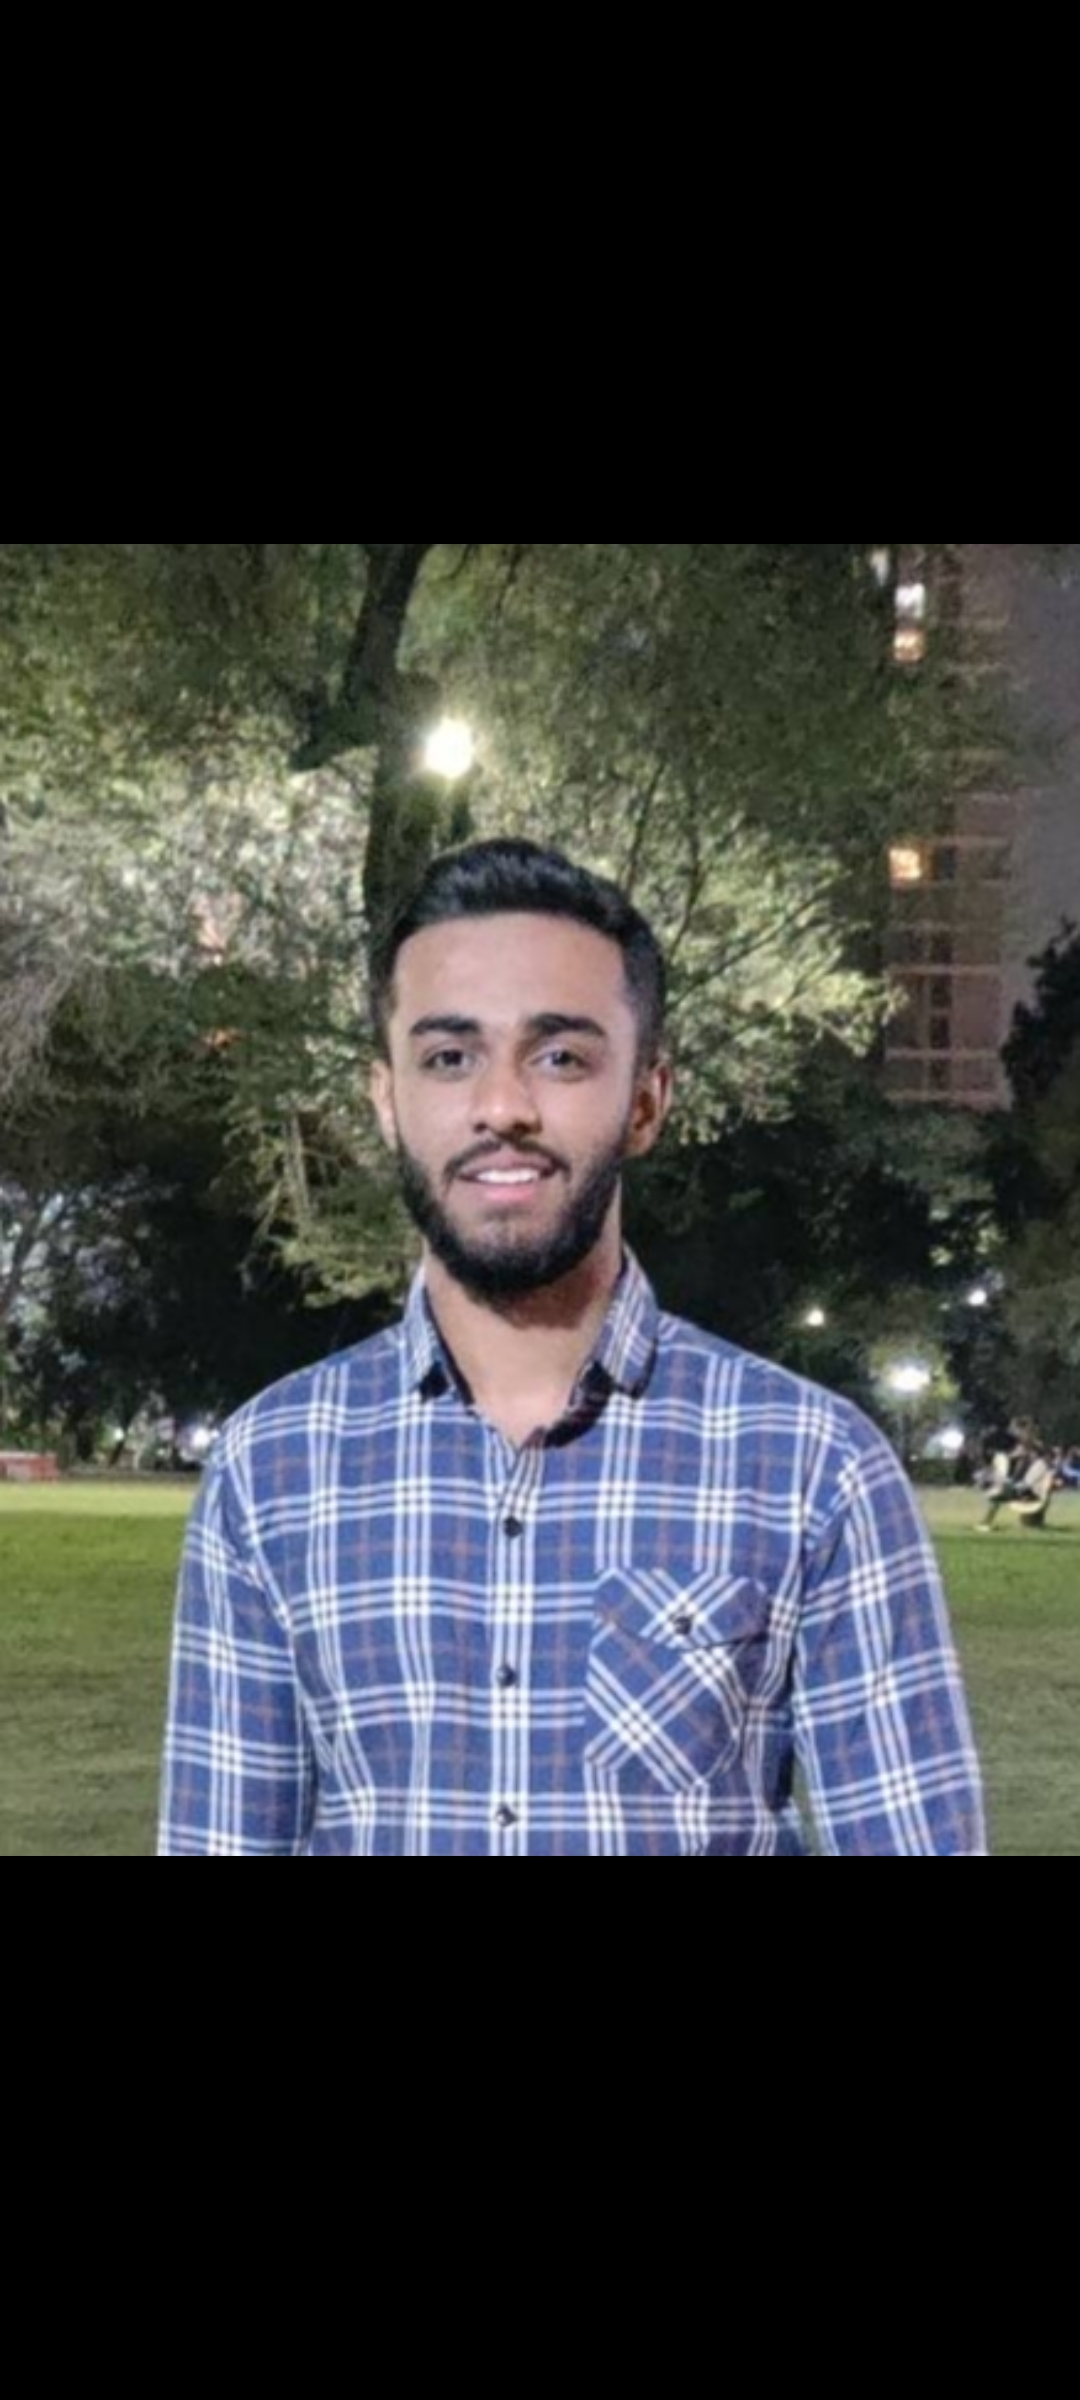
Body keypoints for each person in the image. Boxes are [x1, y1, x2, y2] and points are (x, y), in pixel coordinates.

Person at [159, 839, 985, 1856]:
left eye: (560, 1057)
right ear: (386, 1100)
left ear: (646, 1100)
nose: (503, 1107)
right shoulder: (269, 1471)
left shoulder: (813, 1467)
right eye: (449, 1057)